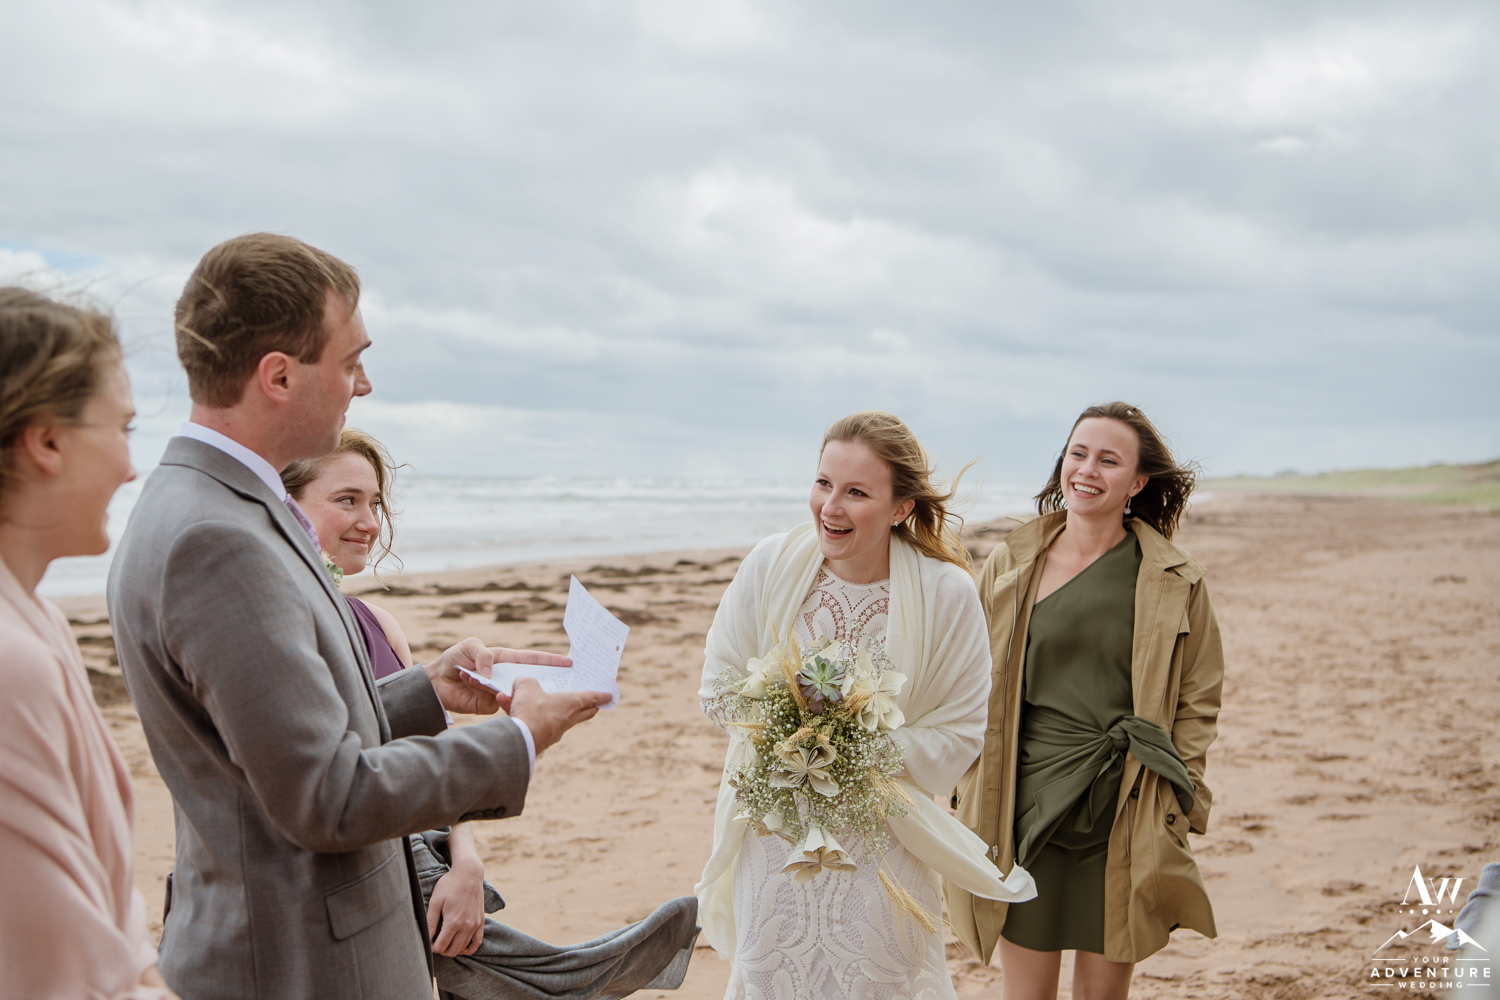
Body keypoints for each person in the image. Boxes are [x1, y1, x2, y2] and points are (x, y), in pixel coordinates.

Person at [107, 233, 610, 1000]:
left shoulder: (228, 501)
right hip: (300, 963)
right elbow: (327, 797)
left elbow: (277, 737)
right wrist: (521, 739)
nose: (364, 385)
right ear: (278, 375)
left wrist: (427, 692)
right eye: (349, 362)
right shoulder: (216, 536)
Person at [282, 428, 700, 999]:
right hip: (355, 846)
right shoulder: (283, 628)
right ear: (288, 505)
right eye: (346, 500)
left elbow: (431, 749)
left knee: (436, 884)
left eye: (375, 503)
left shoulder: (378, 624)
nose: (370, 522)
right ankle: (574, 977)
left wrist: (468, 862)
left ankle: (567, 976)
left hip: (416, 830)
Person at [696, 411, 1035, 1000]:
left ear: (901, 507)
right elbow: (717, 688)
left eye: (856, 492)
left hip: (883, 849)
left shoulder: (947, 596)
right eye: (824, 483)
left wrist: (850, 744)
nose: (831, 507)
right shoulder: (770, 566)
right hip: (772, 840)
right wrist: (785, 722)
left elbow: (959, 739)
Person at [945, 402, 1224, 1000]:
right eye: (1077, 453)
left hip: (1125, 801)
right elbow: (969, 677)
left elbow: (1199, 701)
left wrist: (1182, 793)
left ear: (1138, 481)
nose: (1087, 469)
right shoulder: (1013, 562)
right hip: (1024, 805)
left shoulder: (1177, 578)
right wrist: (962, 782)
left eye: (1108, 459)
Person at [0, 288, 176, 998]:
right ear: (46, 441)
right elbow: (56, 968)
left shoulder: (39, 620)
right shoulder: (11, 665)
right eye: (124, 428)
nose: (131, 468)